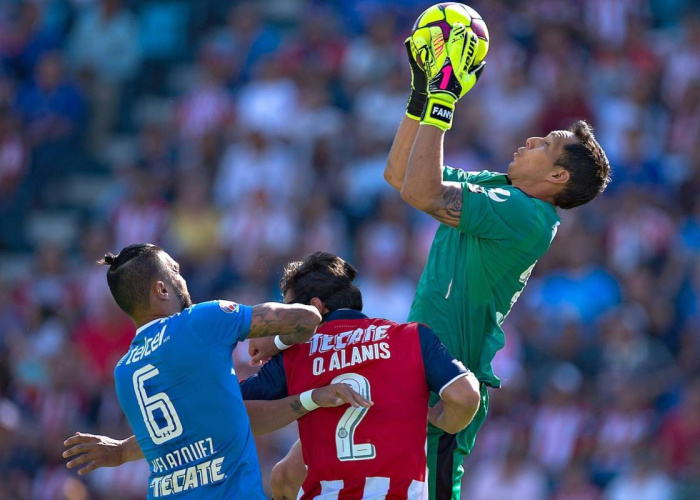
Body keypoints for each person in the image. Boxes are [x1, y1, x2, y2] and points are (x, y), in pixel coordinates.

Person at [381, 24, 612, 499]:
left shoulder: (529, 215)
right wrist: (422, 95)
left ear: (557, 175)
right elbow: (400, 175)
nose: (531, 140)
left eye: (545, 144)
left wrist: (443, 99)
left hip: (450, 376)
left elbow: (421, 190)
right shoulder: (503, 188)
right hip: (418, 365)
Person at [64, 251, 481, 500]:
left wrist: (121, 452)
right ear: (160, 289)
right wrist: (436, 424)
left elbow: (216, 420)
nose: (183, 279)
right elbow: (464, 397)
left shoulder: (124, 371)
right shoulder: (410, 339)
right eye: (176, 272)